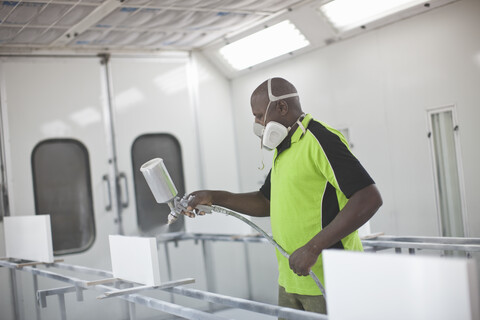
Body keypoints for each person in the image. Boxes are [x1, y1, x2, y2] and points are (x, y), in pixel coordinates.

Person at [182, 77, 383, 315]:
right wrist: (213, 196)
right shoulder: (284, 148)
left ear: (282, 107)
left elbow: (368, 197)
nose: (257, 124)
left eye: (259, 115)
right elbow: (266, 201)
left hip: (328, 278)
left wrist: (312, 248)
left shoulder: (320, 139)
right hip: (291, 280)